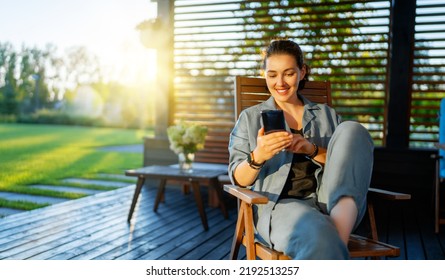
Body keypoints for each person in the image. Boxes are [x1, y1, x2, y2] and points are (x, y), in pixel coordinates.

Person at [228, 39, 374, 259]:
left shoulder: (326, 115)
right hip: (281, 207)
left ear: (302, 72)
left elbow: (348, 163)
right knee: (317, 233)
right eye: (272, 74)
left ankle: (335, 240)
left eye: (288, 73)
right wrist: (259, 156)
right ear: (264, 74)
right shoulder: (250, 118)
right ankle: (335, 244)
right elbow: (238, 178)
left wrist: (312, 149)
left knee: (353, 130)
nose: (280, 82)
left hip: (332, 204)